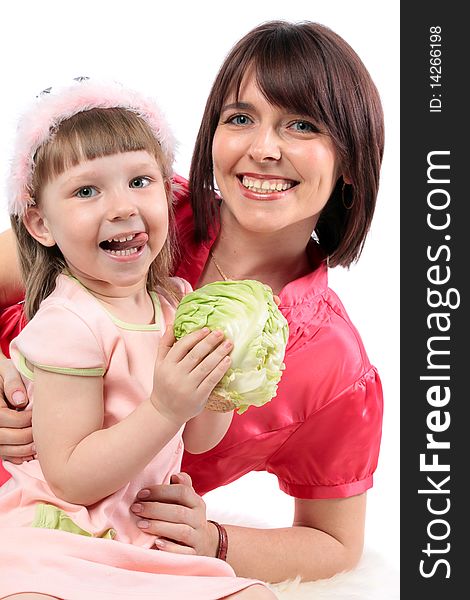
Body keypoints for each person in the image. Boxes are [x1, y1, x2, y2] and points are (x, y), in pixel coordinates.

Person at [0, 20, 384, 584]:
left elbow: (336, 543)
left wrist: (214, 540)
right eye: (240, 118)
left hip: (120, 542)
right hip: (29, 520)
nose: (264, 148)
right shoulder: (138, 209)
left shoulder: (336, 365)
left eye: (302, 125)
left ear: (350, 162)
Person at [0, 78, 274, 600]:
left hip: (145, 540)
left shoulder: (175, 304)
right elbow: (72, 479)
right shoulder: (68, 323)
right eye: (86, 190)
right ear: (40, 224)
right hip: (65, 536)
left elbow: (199, 441)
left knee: (256, 595)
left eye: (140, 181)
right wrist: (167, 407)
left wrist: (220, 380)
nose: (123, 206)